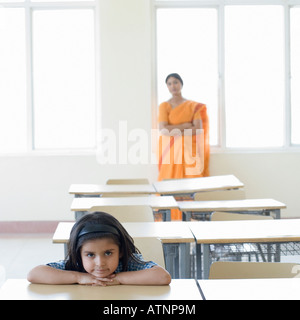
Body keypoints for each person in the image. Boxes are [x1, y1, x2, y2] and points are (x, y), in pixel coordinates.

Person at [27, 212, 171, 286]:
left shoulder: (128, 264)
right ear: (79, 254)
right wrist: (79, 277)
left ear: (120, 251)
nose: (100, 263)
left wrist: (119, 279)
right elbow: (34, 274)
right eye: (90, 255)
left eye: (108, 253)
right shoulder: (77, 267)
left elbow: (163, 276)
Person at [157, 73, 210, 220]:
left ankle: (194, 216)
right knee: (169, 184)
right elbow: (163, 129)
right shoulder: (164, 106)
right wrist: (186, 126)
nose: (173, 86)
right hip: (170, 152)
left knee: (192, 184)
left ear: (181, 84)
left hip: (190, 151)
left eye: (175, 82)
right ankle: (171, 216)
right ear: (167, 87)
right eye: (169, 83)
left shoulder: (193, 106)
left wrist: (175, 129)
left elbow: (198, 129)